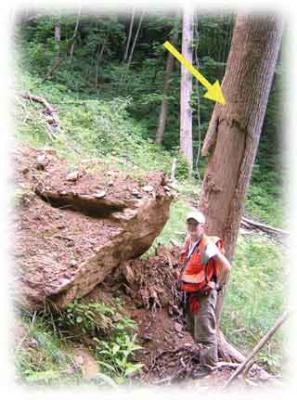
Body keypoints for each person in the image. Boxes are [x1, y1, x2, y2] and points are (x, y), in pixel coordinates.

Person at [178, 210, 232, 377]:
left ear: (202, 227)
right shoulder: (189, 240)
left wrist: (216, 284)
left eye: (196, 225)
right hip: (191, 292)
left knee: (205, 331)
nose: (193, 227)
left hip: (205, 294)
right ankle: (202, 356)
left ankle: (209, 366)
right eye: (190, 224)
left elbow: (226, 267)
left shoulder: (208, 245)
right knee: (192, 327)